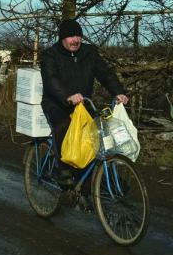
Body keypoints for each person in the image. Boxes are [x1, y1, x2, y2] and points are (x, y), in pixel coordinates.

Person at [41, 19, 129, 184]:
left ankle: (86, 191)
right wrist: (67, 96)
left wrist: (119, 93)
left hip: (83, 104)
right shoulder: (50, 55)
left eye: (78, 36)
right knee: (65, 126)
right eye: (70, 37)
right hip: (57, 103)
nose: (75, 40)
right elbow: (51, 80)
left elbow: (105, 74)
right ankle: (63, 168)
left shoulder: (89, 53)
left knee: (93, 138)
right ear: (62, 38)